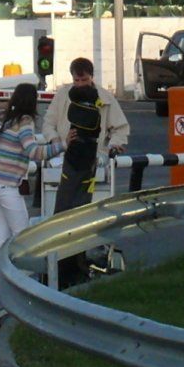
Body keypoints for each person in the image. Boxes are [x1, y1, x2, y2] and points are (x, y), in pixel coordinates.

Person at [47, 58, 128, 289]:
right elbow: (48, 124)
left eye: (84, 79)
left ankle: (81, 266)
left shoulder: (105, 98)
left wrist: (112, 146)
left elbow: (120, 128)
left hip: (93, 162)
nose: (80, 83)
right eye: (76, 80)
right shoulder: (62, 96)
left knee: (86, 218)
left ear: (92, 77)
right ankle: (62, 269)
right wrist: (59, 143)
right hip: (67, 160)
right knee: (63, 216)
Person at [0, 85, 44, 298]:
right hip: (8, 186)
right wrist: (62, 146)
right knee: (22, 238)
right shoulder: (24, 123)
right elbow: (34, 152)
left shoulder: (0, 119)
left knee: (1, 237)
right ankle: (21, 291)